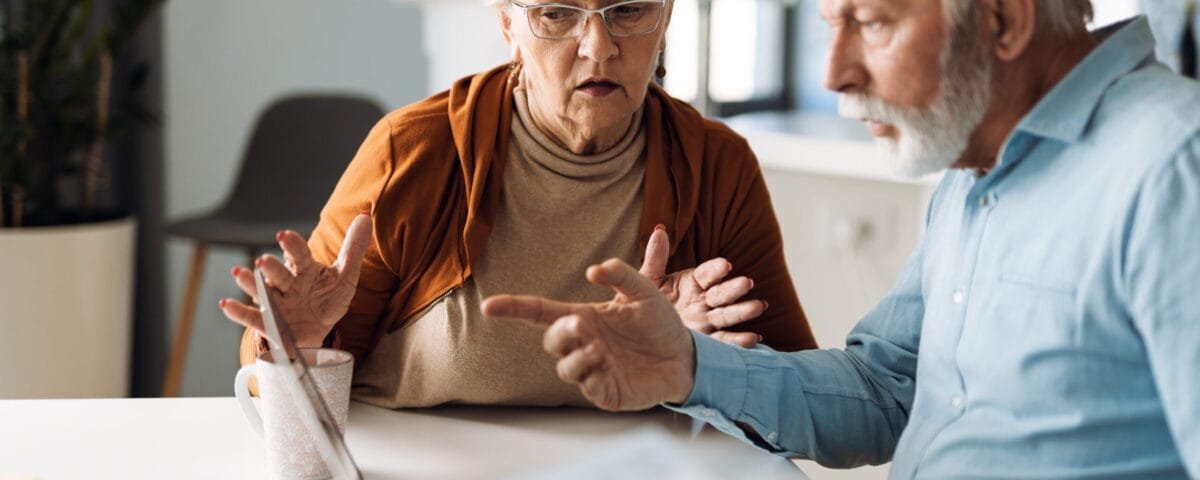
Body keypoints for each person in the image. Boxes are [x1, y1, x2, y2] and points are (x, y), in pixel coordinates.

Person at [483, 0, 1200, 477]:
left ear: (1003, 20)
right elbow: (888, 390)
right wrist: (689, 367)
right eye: (832, 23)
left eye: (873, 23)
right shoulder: (976, 168)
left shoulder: (1173, 168)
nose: (834, 74)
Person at [219, 0, 819, 409]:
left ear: (665, 18)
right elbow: (286, 389)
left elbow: (800, 402)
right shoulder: (416, 151)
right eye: (556, 12)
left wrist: (699, 362)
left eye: (629, 9)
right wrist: (294, 346)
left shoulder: (716, 164)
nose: (598, 46)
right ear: (508, 23)